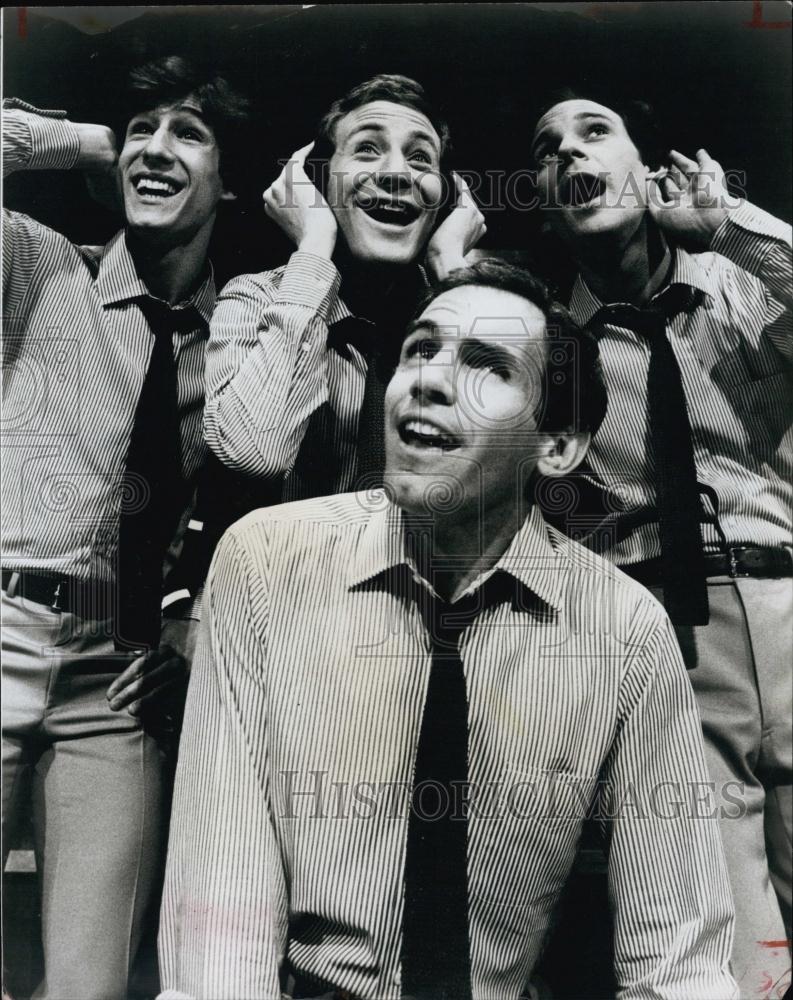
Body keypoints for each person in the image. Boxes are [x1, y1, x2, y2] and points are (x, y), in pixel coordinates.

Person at [158, 260, 736, 1000]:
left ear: (556, 445)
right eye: (419, 350)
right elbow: (220, 931)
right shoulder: (266, 561)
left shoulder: (624, 631)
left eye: (485, 365)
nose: (428, 380)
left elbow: (678, 961)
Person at [530, 91, 792, 997]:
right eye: (547, 149)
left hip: (786, 598)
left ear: (646, 170)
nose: (568, 154)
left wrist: (728, 228)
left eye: (593, 133)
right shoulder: (547, 341)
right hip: (666, 640)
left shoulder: (742, 278)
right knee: (741, 959)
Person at [2, 55, 248, 999]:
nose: (156, 148)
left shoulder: (243, 324)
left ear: (232, 181)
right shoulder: (33, 262)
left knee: (91, 984)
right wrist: (89, 142)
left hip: (122, 670)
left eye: (188, 133)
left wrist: (190, 628)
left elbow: (265, 486)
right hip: (5, 619)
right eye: (142, 130)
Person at [204, 73, 486, 505]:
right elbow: (255, 453)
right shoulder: (256, 299)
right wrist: (315, 243)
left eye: (420, 159)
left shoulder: (459, 304)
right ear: (319, 186)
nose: (396, 173)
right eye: (367, 149)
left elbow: (510, 461)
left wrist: (452, 270)